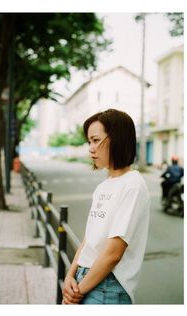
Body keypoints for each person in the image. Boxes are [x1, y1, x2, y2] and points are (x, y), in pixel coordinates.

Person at [62, 109, 150, 304]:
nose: (91, 148)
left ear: (116, 139)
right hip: (84, 278)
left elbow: (113, 254)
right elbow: (89, 240)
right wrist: (70, 276)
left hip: (108, 287)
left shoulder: (132, 186)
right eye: (89, 142)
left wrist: (77, 292)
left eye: (96, 140)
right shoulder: (103, 186)